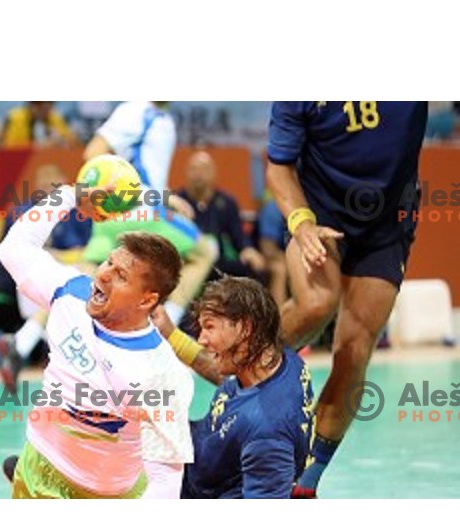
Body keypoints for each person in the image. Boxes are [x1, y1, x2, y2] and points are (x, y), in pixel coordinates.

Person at [266, 101, 428, 497]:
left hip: (388, 224)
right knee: (317, 303)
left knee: (355, 350)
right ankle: (241, 375)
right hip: (318, 212)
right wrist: (301, 225)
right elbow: (279, 166)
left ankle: (305, 484)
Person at [0, 184, 194, 499]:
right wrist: (71, 195)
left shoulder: (162, 373)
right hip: (38, 469)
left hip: (111, 494)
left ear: (147, 300)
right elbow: (13, 249)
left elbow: (166, 478)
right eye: (108, 263)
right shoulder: (71, 292)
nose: (103, 275)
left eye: (121, 275)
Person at [153, 276, 315, 499]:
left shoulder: (267, 432)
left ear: (245, 327)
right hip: (188, 455)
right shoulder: (278, 359)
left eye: (209, 327)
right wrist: (172, 335)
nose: (201, 339)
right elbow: (221, 373)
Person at [82, 101, 218, 325]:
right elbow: (93, 154)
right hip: (141, 214)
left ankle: (23, 340)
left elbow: (141, 172)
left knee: (84, 273)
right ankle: (163, 327)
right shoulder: (136, 110)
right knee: (205, 251)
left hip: (109, 219)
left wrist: (164, 197)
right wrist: (150, 197)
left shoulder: (159, 117)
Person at [0, 164, 93, 391]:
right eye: (43, 180)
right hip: (30, 286)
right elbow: (19, 255)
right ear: (36, 185)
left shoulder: (78, 214)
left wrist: (69, 256)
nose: (48, 185)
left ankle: (21, 345)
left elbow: (89, 251)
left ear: (62, 184)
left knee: (75, 286)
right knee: (74, 287)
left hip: (65, 284)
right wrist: (70, 255)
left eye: (54, 180)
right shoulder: (24, 212)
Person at [177, 151, 265, 280]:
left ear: (213, 173)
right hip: (186, 259)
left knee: (253, 265)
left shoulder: (227, 203)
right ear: (186, 173)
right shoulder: (177, 201)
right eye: (194, 169)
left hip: (218, 261)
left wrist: (247, 249)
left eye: (204, 169)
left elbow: (238, 236)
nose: (198, 174)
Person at [0, 101, 78, 148]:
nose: (45, 112)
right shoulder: (16, 117)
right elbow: (10, 147)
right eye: (41, 108)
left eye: (49, 107)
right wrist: (41, 145)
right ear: (32, 105)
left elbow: (72, 142)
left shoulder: (55, 117)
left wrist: (62, 141)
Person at [257, 199, 288, 307]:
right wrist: (291, 259)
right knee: (280, 269)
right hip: (269, 258)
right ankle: (279, 317)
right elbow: (267, 248)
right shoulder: (273, 209)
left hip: (302, 256)